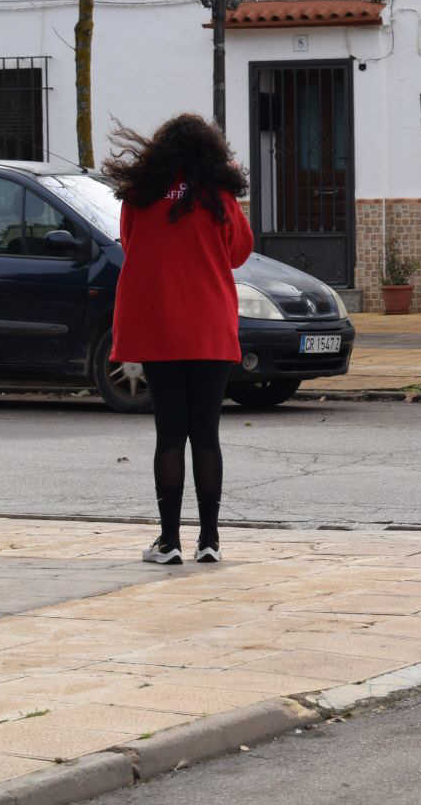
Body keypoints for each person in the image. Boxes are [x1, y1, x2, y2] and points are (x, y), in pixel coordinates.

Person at [102, 114, 254, 564]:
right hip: (210, 328)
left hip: (161, 329)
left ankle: (169, 542)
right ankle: (210, 541)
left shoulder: (140, 196)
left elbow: (130, 244)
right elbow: (239, 253)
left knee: (169, 434)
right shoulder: (219, 198)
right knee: (206, 435)